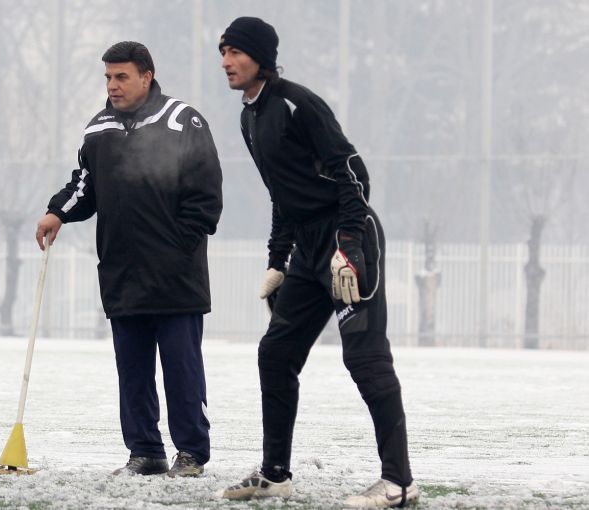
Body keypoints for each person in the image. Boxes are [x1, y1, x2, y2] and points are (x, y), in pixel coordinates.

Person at [217, 17, 419, 508]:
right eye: (222, 52)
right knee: (275, 354)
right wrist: (277, 260)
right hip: (307, 250)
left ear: (262, 58)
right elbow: (283, 194)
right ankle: (275, 475)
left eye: (236, 52)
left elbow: (354, 175)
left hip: (348, 237)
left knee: (365, 360)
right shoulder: (248, 117)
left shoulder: (297, 103)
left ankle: (399, 483)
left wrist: (347, 247)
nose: (226, 61)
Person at [35, 41, 222, 478]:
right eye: (108, 77)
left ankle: (191, 453)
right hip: (121, 272)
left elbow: (206, 194)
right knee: (132, 371)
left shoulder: (183, 121)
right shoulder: (98, 129)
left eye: (121, 77)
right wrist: (57, 211)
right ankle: (145, 451)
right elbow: (85, 185)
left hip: (176, 275)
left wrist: (180, 246)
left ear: (146, 76)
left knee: (181, 369)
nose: (112, 86)